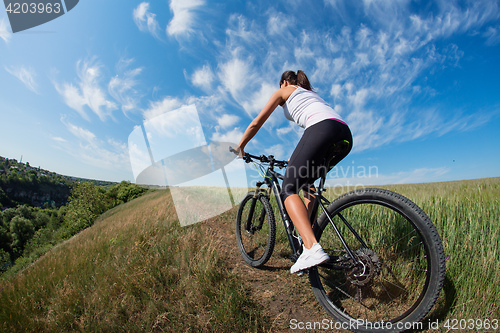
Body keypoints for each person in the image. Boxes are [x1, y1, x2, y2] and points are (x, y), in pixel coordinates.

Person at [234, 70, 353, 274]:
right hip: (343, 133)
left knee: (288, 188)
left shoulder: (285, 91)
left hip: (322, 128)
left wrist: (241, 146)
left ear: (283, 82)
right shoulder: (309, 94)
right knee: (308, 187)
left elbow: (257, 122)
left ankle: (311, 247)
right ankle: (306, 239)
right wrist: (294, 158)